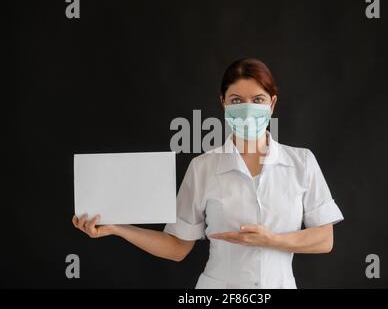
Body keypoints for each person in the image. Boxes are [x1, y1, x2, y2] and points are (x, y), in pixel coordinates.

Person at [72, 57, 344, 288]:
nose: (248, 108)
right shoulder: (203, 167)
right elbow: (177, 248)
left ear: (272, 104)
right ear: (223, 103)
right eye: (237, 100)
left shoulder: (302, 162)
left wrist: (271, 240)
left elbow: (324, 239)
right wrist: (118, 228)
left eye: (258, 99)